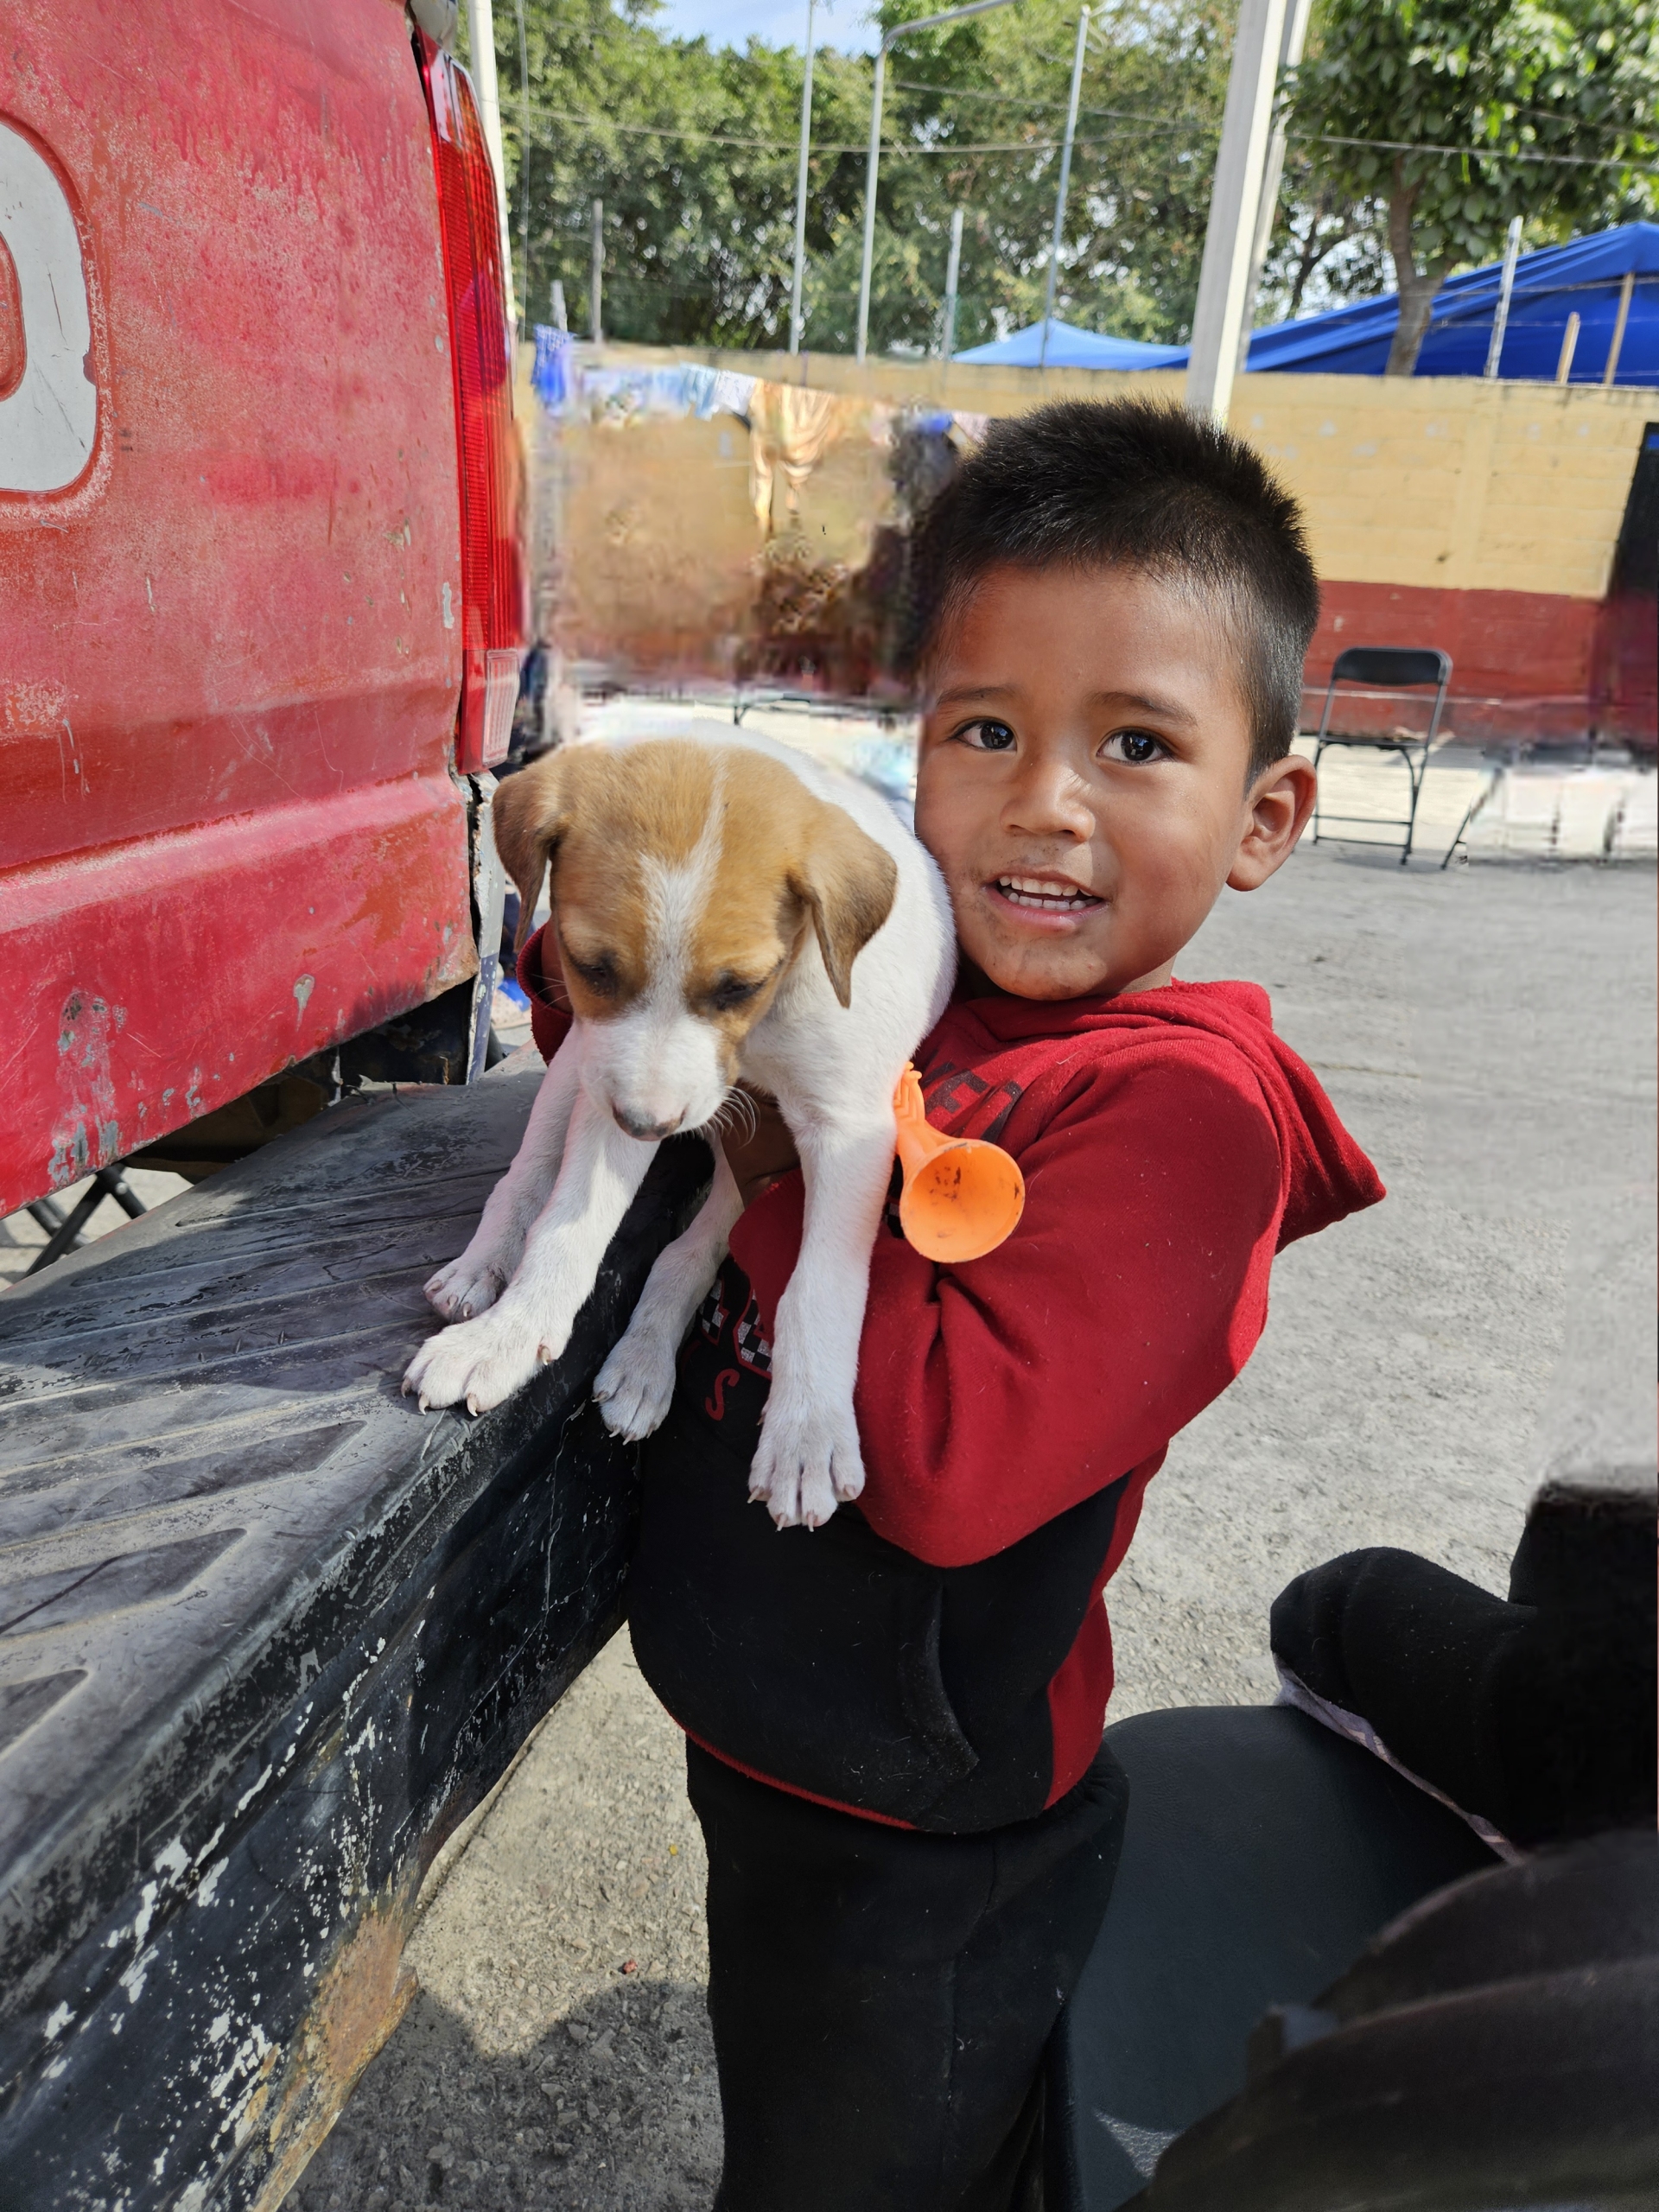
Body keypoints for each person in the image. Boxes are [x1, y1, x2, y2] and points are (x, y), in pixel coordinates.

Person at [516, 399, 1385, 2211]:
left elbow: (943, 1460)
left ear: (1265, 814)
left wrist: (759, 1169)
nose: (1044, 800)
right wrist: (665, 957)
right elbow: (634, 1049)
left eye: (1137, 743)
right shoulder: (919, 983)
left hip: (938, 1828)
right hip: (783, 1750)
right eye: (985, 729)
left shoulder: (1181, 1122)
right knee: (802, 2119)